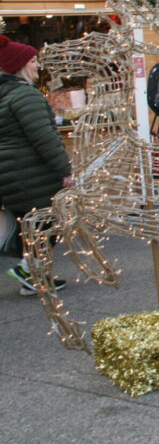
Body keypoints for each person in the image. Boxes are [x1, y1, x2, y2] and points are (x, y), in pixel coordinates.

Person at [0, 37, 73, 295]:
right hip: (30, 174)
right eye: (33, 61)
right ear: (19, 66)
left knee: (31, 228)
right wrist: (65, 170)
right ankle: (29, 275)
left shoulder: (6, 95)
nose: (37, 66)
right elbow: (44, 138)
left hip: (12, 175)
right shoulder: (25, 96)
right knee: (44, 227)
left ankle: (32, 276)